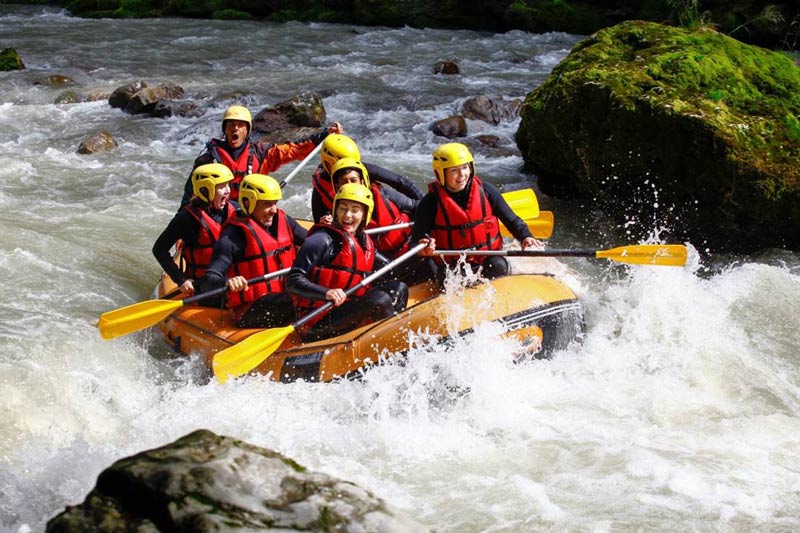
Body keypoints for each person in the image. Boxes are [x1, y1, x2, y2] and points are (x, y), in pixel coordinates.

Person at [287, 183, 409, 341]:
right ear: (336, 210)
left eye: (355, 210)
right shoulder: (321, 239)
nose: (347, 215)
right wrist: (326, 292)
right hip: (316, 319)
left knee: (398, 288)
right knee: (379, 300)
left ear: (364, 214)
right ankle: (393, 342)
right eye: (343, 208)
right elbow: (293, 280)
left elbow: (391, 270)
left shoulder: (364, 242)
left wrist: (421, 250)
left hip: (345, 309)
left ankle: (385, 335)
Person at [410, 142, 540, 284]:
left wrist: (525, 236)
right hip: (453, 266)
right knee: (446, 278)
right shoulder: (430, 202)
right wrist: (423, 247)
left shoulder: (487, 191)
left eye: (465, 167)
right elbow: (415, 240)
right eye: (454, 170)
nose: (462, 175)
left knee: (498, 265)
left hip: (487, 260)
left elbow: (513, 221)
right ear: (440, 173)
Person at [196, 174, 306, 328]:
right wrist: (228, 282)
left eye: (275, 203)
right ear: (248, 203)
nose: (274, 210)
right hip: (250, 309)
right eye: (267, 204)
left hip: (285, 297)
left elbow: (313, 244)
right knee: (293, 300)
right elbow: (209, 280)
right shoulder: (233, 235)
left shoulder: (284, 220)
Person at [180, 104, 342, 207]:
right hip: (219, 214)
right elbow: (190, 196)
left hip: (251, 213)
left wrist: (324, 135)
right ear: (225, 129)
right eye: (231, 125)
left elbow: (295, 150)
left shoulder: (261, 153)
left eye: (240, 125)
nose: (235, 129)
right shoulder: (209, 159)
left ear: (247, 130)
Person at [152, 163, 237, 300]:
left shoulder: (235, 210)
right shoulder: (187, 218)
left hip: (235, 281)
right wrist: (181, 280)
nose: (228, 190)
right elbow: (159, 249)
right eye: (221, 187)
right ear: (205, 190)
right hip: (205, 286)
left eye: (228, 185)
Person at [310, 133, 424, 224]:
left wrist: (427, 204)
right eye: (344, 181)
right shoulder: (320, 189)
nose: (350, 168)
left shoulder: (359, 169)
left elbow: (401, 182)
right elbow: (319, 224)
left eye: (353, 180)